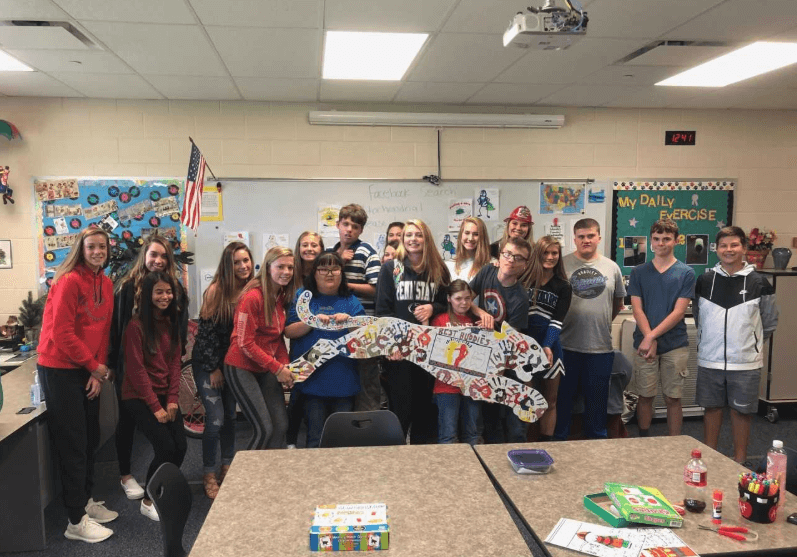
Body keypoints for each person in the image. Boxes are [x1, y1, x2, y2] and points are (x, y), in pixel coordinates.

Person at [37, 227, 118, 543]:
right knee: (73, 444)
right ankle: (74, 522)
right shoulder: (69, 280)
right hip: (59, 369)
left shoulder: (107, 283)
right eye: (91, 247)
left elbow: (103, 329)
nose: (98, 251)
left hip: (86, 369)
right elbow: (62, 334)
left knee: (90, 439)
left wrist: (95, 372)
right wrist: (95, 367)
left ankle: (84, 503)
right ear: (80, 250)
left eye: (102, 246)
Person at [109, 235, 188, 500]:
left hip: (161, 368)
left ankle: (158, 485)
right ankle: (126, 475)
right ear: (144, 256)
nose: (158, 260)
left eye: (164, 255)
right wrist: (114, 366)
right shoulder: (128, 287)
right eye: (154, 254)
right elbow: (117, 329)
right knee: (128, 423)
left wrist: (171, 396)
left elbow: (177, 340)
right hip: (131, 367)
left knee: (173, 443)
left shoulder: (174, 289)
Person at [694, 226, 778, 464]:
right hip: (710, 359)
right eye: (723, 245)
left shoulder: (759, 282)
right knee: (711, 409)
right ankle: (708, 459)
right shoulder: (705, 280)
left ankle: (740, 462)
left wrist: (749, 345)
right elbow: (699, 316)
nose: (728, 250)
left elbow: (769, 322)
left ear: (744, 247)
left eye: (734, 245)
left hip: (745, 363)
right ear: (716, 249)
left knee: (741, 412)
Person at [376, 219, 449, 443]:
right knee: (401, 408)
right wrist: (390, 345)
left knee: (425, 410)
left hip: (429, 350)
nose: (413, 239)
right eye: (409, 235)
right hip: (400, 351)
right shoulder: (392, 268)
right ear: (402, 239)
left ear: (426, 238)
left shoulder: (438, 268)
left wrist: (432, 307)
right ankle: (398, 460)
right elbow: (382, 310)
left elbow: (449, 304)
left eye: (418, 235)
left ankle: (423, 461)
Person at [122, 271, 186, 522]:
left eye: (168, 291)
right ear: (148, 295)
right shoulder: (135, 326)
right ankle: (148, 500)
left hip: (164, 394)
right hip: (138, 396)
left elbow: (174, 364)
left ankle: (162, 489)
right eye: (159, 291)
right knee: (165, 446)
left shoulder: (172, 323)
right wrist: (154, 406)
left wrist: (172, 400)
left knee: (180, 446)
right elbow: (137, 371)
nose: (165, 296)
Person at [192, 241, 253, 499]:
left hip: (232, 365)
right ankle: (208, 472)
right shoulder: (217, 290)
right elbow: (204, 335)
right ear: (227, 266)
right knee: (215, 419)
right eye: (236, 262)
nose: (242, 266)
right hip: (210, 364)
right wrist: (213, 369)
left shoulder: (251, 289)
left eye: (246, 260)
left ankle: (227, 465)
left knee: (230, 417)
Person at [284, 252, 365, 448]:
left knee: (343, 439)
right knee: (315, 436)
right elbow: (288, 331)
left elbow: (365, 336)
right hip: (313, 382)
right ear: (314, 272)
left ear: (341, 272)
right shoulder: (303, 297)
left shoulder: (351, 300)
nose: (329, 274)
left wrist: (350, 321)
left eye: (335, 269)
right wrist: (311, 321)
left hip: (344, 380)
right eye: (323, 269)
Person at [556, 218, 625, 440]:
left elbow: (617, 304)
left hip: (600, 349)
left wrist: (599, 320)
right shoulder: (561, 265)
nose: (586, 240)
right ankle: (559, 449)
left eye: (590, 236)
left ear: (598, 237)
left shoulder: (612, 267)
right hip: (565, 347)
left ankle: (597, 453)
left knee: (596, 410)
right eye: (581, 237)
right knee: (562, 405)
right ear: (574, 239)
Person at [628, 219, 695, 437]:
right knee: (645, 395)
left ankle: (675, 443)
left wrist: (652, 336)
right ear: (650, 242)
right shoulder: (638, 272)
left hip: (675, 344)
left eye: (666, 239)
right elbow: (637, 309)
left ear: (676, 241)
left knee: (673, 397)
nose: (661, 243)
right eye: (656, 239)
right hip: (645, 342)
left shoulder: (686, 273)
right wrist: (649, 338)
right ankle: (644, 440)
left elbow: (678, 312)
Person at [225, 246, 296, 450]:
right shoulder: (252, 297)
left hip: (265, 367)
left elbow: (276, 339)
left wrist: (286, 366)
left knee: (281, 425)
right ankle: (245, 479)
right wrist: (277, 369)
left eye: (290, 267)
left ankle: (269, 475)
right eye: (280, 266)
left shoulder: (280, 296)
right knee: (264, 428)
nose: (286, 272)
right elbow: (244, 343)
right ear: (267, 268)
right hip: (241, 366)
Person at [470, 236, 532, 443]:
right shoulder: (487, 272)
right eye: (507, 254)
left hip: (509, 361)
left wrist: (497, 372)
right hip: (484, 355)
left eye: (518, 258)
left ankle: (521, 456)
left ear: (524, 265)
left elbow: (510, 342)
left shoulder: (521, 298)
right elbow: (464, 299)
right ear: (500, 254)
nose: (511, 260)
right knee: (490, 418)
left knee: (515, 422)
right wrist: (481, 312)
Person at [329, 204, 381, 412]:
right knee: (342, 381)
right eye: (345, 224)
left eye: (355, 226)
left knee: (366, 383)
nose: (349, 230)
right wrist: (338, 262)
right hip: (335, 328)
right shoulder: (332, 253)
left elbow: (377, 289)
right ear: (338, 225)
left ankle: (369, 430)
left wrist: (345, 285)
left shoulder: (367, 252)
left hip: (363, 328)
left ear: (361, 231)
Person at [521, 235, 572, 441]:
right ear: (537, 254)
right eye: (546, 252)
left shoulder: (563, 286)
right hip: (524, 347)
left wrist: (547, 345)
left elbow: (557, 321)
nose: (550, 257)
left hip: (549, 346)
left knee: (550, 401)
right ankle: (523, 443)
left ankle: (546, 444)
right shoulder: (522, 279)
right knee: (526, 399)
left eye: (554, 253)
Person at [431, 280, 485, 445]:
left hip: (472, 386)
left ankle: (477, 469)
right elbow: (432, 354)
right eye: (458, 298)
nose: (464, 303)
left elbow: (482, 356)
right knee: (448, 435)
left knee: (474, 433)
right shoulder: (440, 320)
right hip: (446, 385)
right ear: (449, 299)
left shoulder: (475, 322)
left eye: (468, 298)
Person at [446, 217, 491, 282]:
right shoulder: (449, 265)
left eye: (476, 234)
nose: (470, 238)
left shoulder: (489, 265)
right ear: (461, 235)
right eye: (467, 233)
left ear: (482, 238)